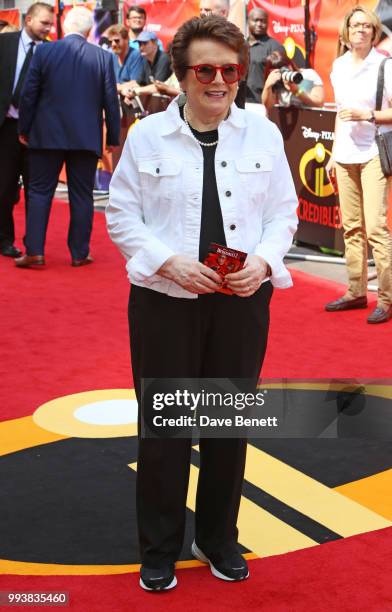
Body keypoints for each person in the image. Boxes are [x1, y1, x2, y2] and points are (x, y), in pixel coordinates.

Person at [106, 15, 297, 591]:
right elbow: (121, 215)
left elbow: (282, 214)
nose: (219, 80)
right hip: (165, 300)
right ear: (183, 75)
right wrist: (169, 262)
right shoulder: (146, 137)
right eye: (205, 69)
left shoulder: (261, 133)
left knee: (226, 426)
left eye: (230, 69)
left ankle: (217, 537)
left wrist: (262, 262)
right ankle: (159, 546)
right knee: (165, 427)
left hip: (241, 301)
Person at [15, 7, 120, 269]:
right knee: (82, 195)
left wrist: (24, 129)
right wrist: (113, 137)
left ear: (64, 24)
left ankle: (35, 252)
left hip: (46, 134)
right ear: (88, 31)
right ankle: (79, 253)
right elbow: (111, 100)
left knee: (39, 193)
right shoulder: (103, 57)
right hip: (85, 137)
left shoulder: (44, 51)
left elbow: (30, 94)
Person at [325, 5, 392, 324]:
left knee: (376, 228)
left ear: (375, 31)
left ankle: (387, 299)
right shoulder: (338, 66)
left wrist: (369, 115)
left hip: (373, 154)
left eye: (367, 26)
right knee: (351, 228)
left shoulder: (384, 66)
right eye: (356, 26)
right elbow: (339, 113)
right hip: (345, 154)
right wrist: (332, 152)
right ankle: (355, 291)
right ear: (347, 31)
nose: (361, 30)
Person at [0, 2, 54, 258]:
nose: (48, 28)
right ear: (29, 19)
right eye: (44, 23)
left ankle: (33, 245)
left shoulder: (51, 52)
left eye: (51, 24)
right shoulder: (5, 43)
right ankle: (4, 240)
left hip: (37, 132)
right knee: (4, 187)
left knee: (35, 190)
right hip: (6, 128)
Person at [246, 7, 284, 104]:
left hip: (262, 104)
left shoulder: (275, 47)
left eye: (263, 21)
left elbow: (280, 81)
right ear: (248, 21)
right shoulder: (240, 45)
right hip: (239, 103)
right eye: (256, 20)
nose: (259, 24)